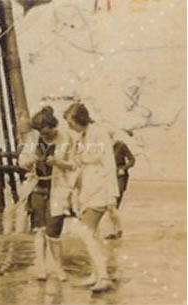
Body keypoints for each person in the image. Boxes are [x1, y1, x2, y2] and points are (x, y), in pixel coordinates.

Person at [63, 103, 119, 292]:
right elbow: (78, 163)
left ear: (80, 119)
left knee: (85, 233)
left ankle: (103, 276)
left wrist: (112, 195)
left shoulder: (99, 134)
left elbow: (109, 164)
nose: (69, 126)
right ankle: (96, 273)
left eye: (70, 122)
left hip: (99, 190)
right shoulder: (82, 136)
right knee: (92, 234)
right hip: (87, 189)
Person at [19, 106, 74, 281]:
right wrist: (28, 162)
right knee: (40, 230)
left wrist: (59, 162)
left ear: (53, 126)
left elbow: (74, 165)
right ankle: (41, 268)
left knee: (54, 233)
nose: (44, 136)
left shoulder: (66, 139)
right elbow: (22, 161)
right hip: (37, 187)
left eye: (47, 132)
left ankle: (58, 268)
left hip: (57, 188)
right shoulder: (33, 138)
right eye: (41, 133)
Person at [105, 139, 135, 239]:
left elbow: (132, 160)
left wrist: (123, 168)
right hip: (108, 176)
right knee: (110, 206)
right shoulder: (104, 146)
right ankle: (115, 230)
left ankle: (117, 230)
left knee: (114, 204)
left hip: (120, 176)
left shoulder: (121, 145)